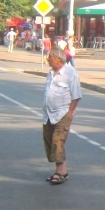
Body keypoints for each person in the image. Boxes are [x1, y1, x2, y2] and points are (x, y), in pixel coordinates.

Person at [42, 47, 81, 185]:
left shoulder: (71, 73)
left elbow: (76, 95)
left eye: (50, 56)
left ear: (59, 58)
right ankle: (60, 170)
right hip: (48, 114)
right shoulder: (51, 73)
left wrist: (70, 113)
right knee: (49, 140)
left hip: (63, 113)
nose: (48, 58)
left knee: (58, 141)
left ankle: (61, 172)